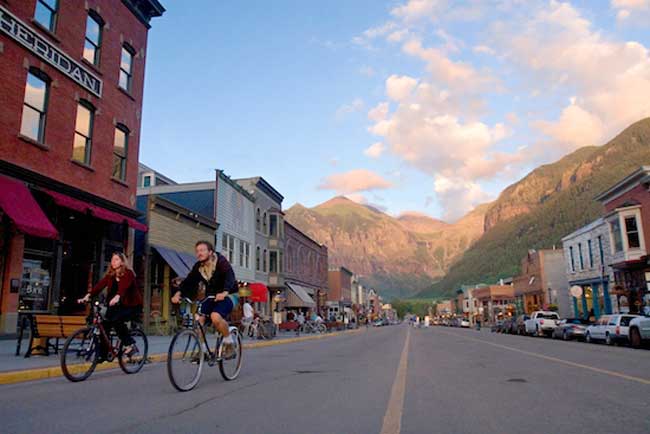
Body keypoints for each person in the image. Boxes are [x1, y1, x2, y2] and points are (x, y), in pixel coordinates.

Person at [171, 241, 238, 358]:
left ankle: (229, 343)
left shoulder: (221, 262)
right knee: (199, 319)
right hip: (211, 296)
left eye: (202, 250)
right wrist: (179, 293)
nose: (199, 253)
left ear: (210, 252)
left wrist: (225, 291)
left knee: (215, 316)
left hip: (229, 294)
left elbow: (230, 276)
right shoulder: (198, 267)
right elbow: (189, 281)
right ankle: (202, 351)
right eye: (197, 251)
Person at [79, 252, 142, 357]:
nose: (113, 262)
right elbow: (100, 286)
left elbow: (124, 287)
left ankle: (130, 344)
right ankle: (104, 353)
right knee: (104, 325)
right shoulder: (111, 275)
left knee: (117, 321)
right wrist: (88, 295)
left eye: (116, 259)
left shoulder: (128, 273)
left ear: (122, 262)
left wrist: (118, 296)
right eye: (112, 259)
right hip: (116, 306)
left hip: (131, 306)